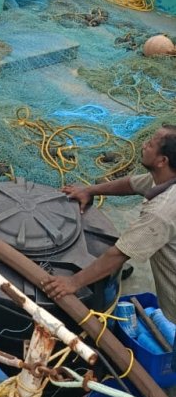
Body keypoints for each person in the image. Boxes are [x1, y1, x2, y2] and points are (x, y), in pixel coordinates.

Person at [42, 125, 176, 320]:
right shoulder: (166, 178)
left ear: (162, 161)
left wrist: (72, 283)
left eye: (151, 144)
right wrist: (89, 190)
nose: (144, 145)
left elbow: (119, 254)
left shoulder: (162, 211)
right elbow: (131, 184)